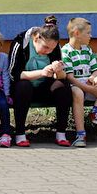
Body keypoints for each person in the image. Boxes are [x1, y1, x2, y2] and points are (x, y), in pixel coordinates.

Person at [8, 15, 72, 147]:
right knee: (23, 86)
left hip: (44, 87)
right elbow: (13, 74)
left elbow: (60, 77)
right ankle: (20, 134)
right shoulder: (20, 42)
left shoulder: (54, 48)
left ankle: (61, 133)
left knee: (63, 86)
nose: (48, 51)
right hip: (23, 89)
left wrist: (58, 71)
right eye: (46, 47)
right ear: (36, 39)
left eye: (52, 49)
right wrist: (41, 72)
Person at [61, 17, 97, 147]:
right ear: (77, 33)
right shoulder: (65, 52)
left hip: (89, 85)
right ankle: (81, 135)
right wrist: (89, 89)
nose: (91, 36)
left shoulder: (87, 50)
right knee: (78, 92)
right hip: (76, 87)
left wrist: (93, 78)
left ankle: (95, 111)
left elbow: (96, 70)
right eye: (88, 33)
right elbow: (70, 77)